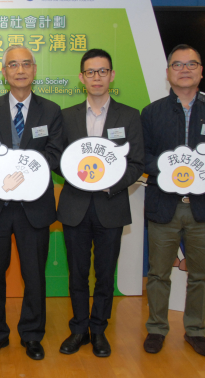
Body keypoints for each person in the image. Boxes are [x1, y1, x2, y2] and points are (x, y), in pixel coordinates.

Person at [141, 44, 205, 357]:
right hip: (164, 205)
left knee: (200, 274)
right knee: (158, 273)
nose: (184, 70)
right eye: (177, 65)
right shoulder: (152, 111)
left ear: (201, 71)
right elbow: (140, 155)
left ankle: (196, 330)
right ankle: (157, 328)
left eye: (191, 64)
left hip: (204, 206)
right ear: (168, 72)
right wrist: (169, 172)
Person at [0, 44, 63, 361]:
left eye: (26, 64)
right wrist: (0, 174)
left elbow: (55, 153)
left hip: (33, 207)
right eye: (13, 64)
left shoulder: (51, 111)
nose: (20, 70)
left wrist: (24, 173)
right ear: (4, 72)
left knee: (34, 274)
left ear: (34, 70)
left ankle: (32, 335)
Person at [57, 49, 144, 357]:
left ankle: (99, 330)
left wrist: (111, 183)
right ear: (82, 78)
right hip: (75, 206)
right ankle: (79, 329)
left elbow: (137, 163)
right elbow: (58, 158)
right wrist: (75, 174)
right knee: (78, 273)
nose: (96, 77)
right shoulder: (65, 116)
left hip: (111, 205)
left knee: (105, 274)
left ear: (112, 75)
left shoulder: (130, 116)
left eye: (102, 71)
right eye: (90, 72)